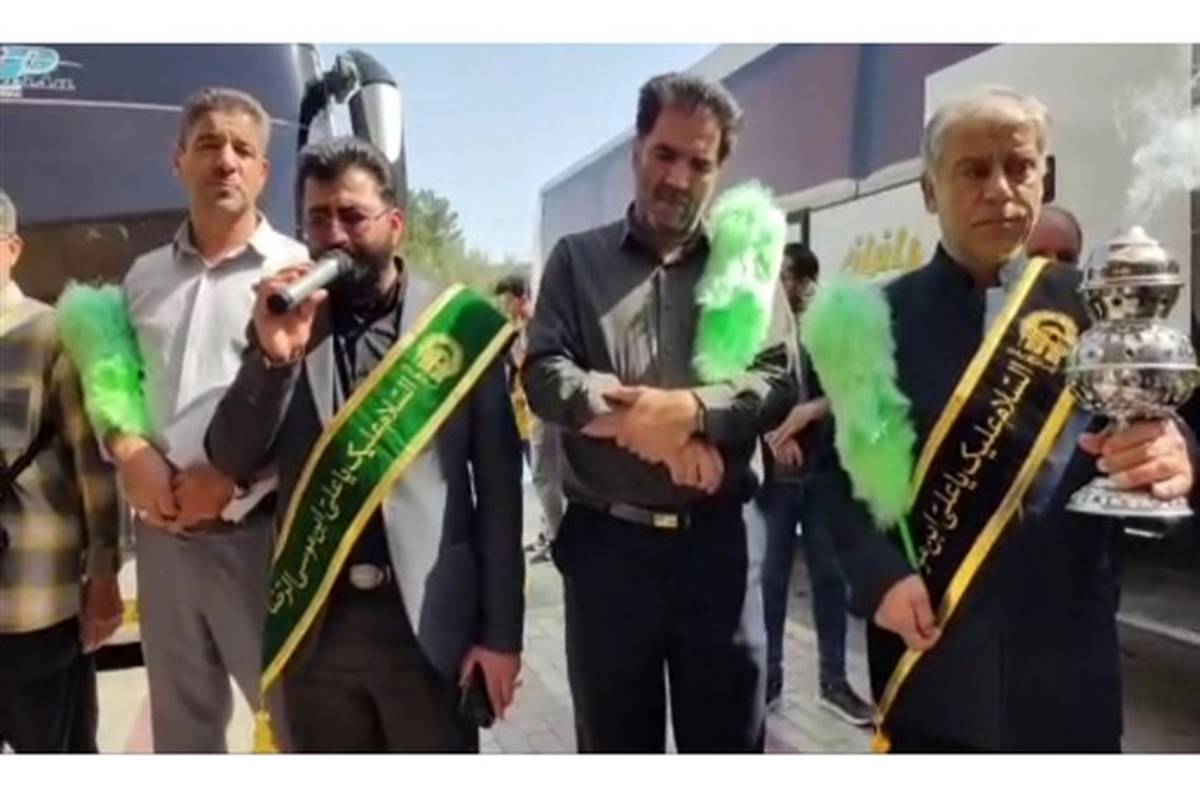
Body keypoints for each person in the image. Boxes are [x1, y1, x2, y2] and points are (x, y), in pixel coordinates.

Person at [819, 86, 1197, 752]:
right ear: (929, 191)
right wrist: (878, 575)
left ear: (1042, 179)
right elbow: (835, 477)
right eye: (974, 170)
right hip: (929, 662)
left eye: (1019, 167)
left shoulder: (1101, 307)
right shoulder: (874, 322)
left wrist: (1179, 452)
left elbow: (1179, 425)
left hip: (1068, 673)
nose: (1000, 189)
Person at [205, 136, 525, 753]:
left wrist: (501, 637)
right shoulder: (286, 320)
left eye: (352, 216)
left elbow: (500, 497)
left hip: (429, 632)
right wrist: (273, 360)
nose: (334, 235)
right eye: (318, 218)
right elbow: (232, 458)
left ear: (395, 224)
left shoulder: (462, 327)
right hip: (316, 637)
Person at [523, 72, 796, 753]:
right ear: (636, 151)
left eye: (699, 163)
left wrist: (691, 411)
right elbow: (545, 375)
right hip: (609, 555)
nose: (678, 177)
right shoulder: (577, 261)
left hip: (720, 552)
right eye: (664, 154)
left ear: (720, 169)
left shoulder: (747, 266)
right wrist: (646, 427)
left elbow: (777, 380)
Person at [106, 88, 308, 752]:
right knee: (183, 735)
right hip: (162, 545)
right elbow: (116, 384)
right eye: (208, 145)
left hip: (259, 542)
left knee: (294, 724)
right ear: (179, 161)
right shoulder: (142, 278)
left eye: (243, 149)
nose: (226, 161)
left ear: (263, 172)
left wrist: (231, 482)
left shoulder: (296, 274)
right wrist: (126, 447)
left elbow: (310, 410)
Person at [0, 188, 123, 752]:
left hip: (36, 605)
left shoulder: (50, 335)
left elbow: (92, 467)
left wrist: (104, 577)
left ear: (12, 249)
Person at [754, 242, 872, 725]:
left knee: (829, 577)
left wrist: (808, 411)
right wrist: (771, 432)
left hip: (824, 474)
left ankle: (834, 683)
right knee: (771, 581)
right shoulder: (757, 328)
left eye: (783, 277)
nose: (775, 285)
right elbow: (741, 391)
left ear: (804, 283)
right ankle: (768, 682)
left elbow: (853, 388)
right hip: (775, 481)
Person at [495, 273, 564, 564]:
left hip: (543, 413)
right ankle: (548, 532)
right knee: (541, 476)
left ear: (520, 297)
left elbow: (533, 365)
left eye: (508, 301)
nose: (506, 307)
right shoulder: (521, 327)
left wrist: (514, 348)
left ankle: (558, 538)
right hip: (527, 413)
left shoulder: (537, 325)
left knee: (544, 476)